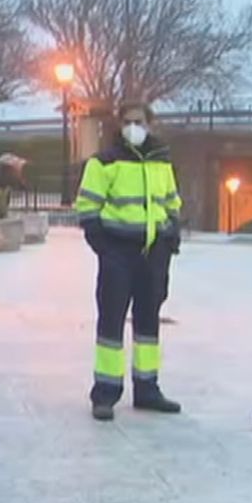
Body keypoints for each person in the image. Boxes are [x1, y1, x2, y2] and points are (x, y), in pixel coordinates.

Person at [74, 102, 184, 421]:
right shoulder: (103, 163)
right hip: (118, 253)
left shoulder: (162, 163)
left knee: (148, 323)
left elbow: (171, 202)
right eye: (127, 122)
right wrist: (104, 249)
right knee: (111, 322)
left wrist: (170, 237)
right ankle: (105, 393)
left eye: (138, 121)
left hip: (154, 254)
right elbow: (88, 208)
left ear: (150, 125)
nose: (132, 127)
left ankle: (147, 388)